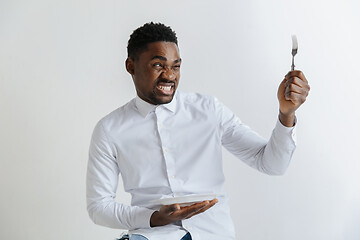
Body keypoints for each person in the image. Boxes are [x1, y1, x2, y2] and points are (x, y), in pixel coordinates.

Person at [86, 22, 310, 240]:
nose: (169, 76)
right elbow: (99, 207)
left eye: (176, 66)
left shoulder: (208, 110)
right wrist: (153, 218)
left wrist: (286, 114)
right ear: (131, 66)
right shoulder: (109, 129)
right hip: (153, 235)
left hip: (212, 233)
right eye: (158, 65)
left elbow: (272, 164)